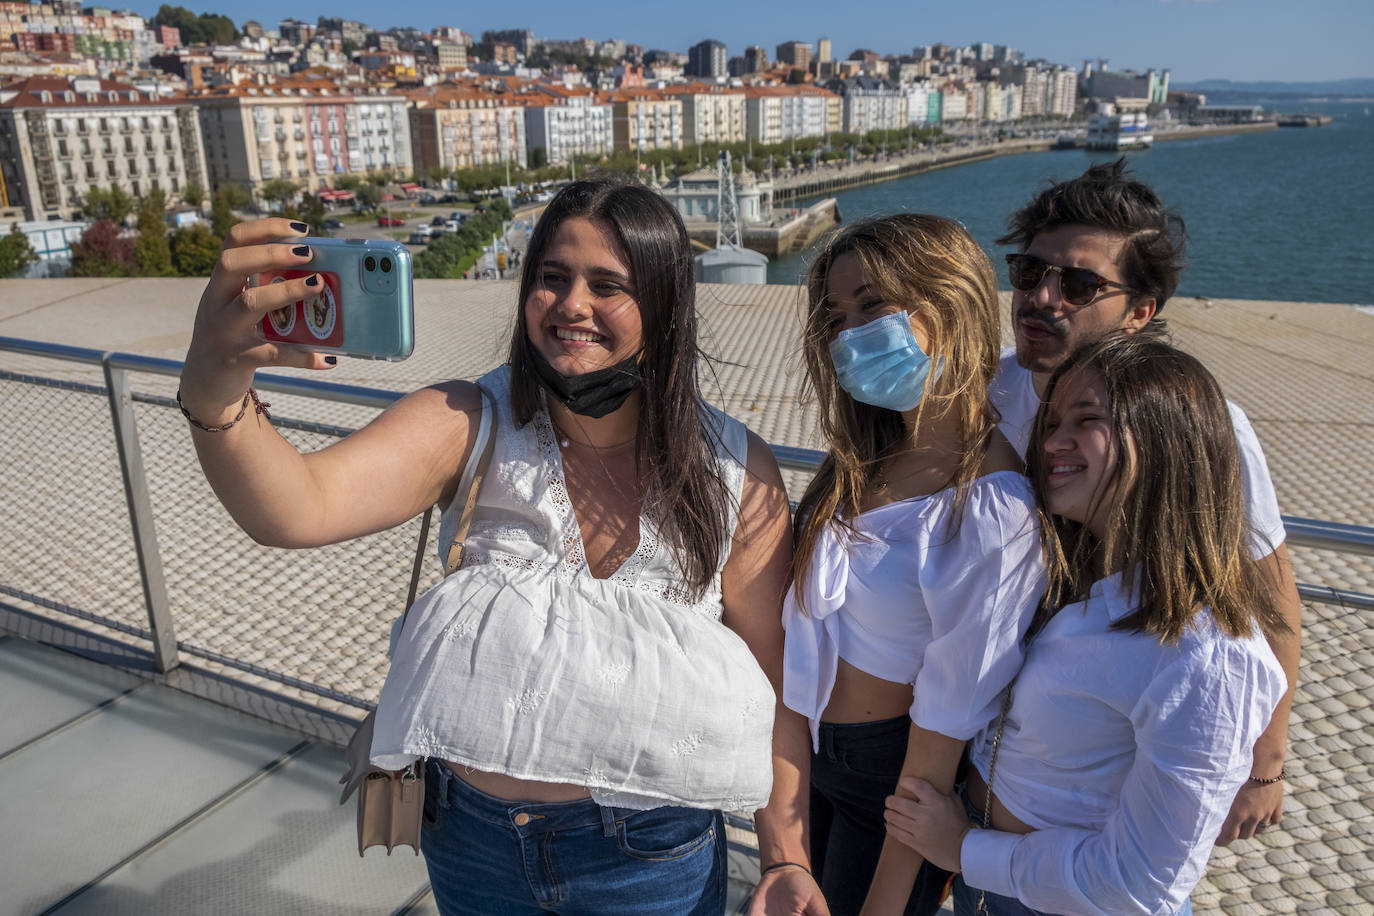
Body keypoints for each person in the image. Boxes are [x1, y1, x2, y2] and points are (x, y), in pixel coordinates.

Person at [177, 177, 825, 916]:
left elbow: (777, 689)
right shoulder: (468, 419)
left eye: (607, 285)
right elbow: (295, 509)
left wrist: (786, 857)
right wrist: (216, 380)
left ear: (666, 306)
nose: (571, 304)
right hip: (475, 843)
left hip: (650, 858)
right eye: (552, 278)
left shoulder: (736, 471)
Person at [882, 333, 1289, 915]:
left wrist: (966, 848)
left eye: (1087, 418)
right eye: (1052, 422)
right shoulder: (1077, 579)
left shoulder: (1208, 656)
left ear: (1167, 441)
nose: (1052, 441)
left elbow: (1140, 884)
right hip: (997, 881)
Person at [987, 160, 1301, 842]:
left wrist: (1265, 769)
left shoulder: (1201, 429)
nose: (1042, 298)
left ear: (1140, 313)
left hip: (1117, 760)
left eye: (1077, 284)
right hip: (1016, 738)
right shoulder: (993, 391)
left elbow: (1270, 599)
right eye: (1028, 272)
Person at [781, 215, 1046, 915]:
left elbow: (945, 729)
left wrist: (889, 899)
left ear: (951, 302)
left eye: (872, 306)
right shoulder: (861, 458)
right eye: (837, 316)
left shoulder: (991, 507)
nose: (849, 334)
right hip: (810, 756)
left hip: (887, 783)